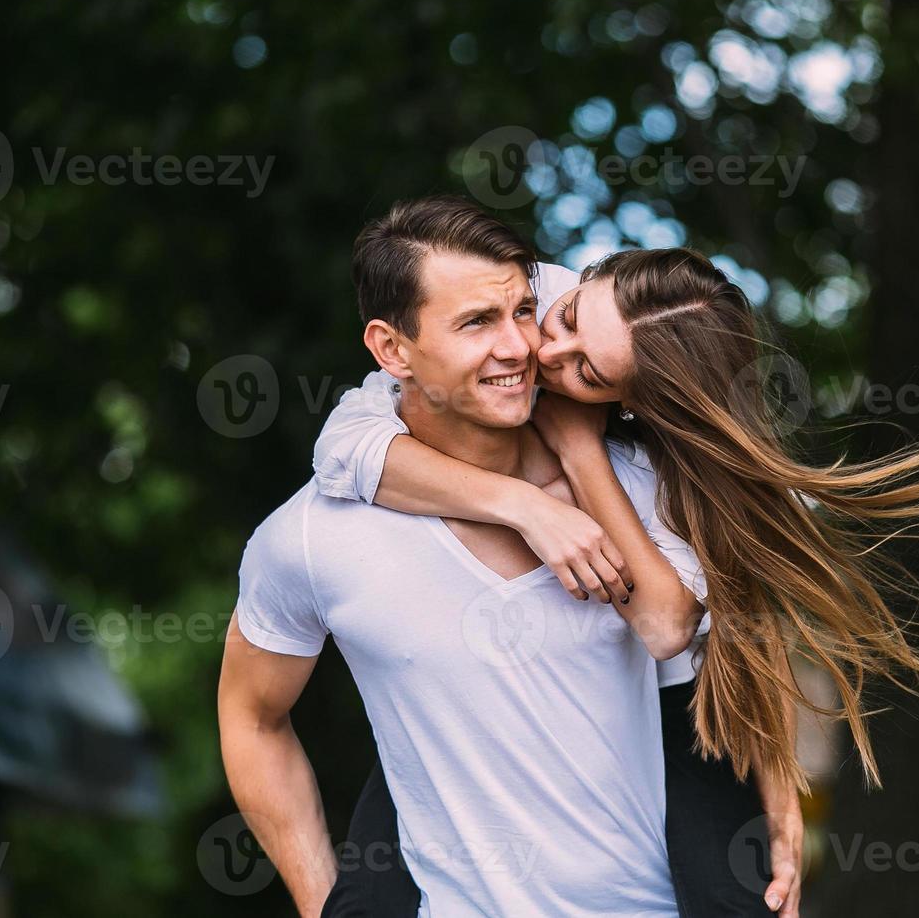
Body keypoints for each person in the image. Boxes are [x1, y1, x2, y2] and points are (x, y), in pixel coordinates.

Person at [313, 200, 919, 918]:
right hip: (482, 694)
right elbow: (343, 448)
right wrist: (524, 506)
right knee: (367, 895)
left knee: (737, 898)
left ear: (636, 404)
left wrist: (580, 453)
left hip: (672, 700)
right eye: (568, 320)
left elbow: (685, 630)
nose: (543, 355)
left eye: (588, 373)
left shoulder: (669, 479)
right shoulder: (521, 298)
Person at [219, 197, 717, 917]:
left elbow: (709, 649)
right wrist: (322, 903)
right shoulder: (309, 535)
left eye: (522, 311)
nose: (520, 348)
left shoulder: (640, 484)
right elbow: (251, 719)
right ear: (392, 351)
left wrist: (781, 802)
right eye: (477, 323)